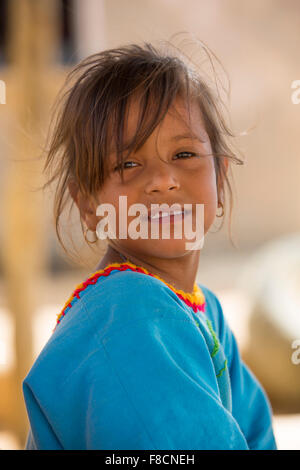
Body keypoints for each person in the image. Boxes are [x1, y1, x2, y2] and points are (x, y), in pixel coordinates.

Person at [22, 42, 277, 450]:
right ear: (87, 203)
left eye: (184, 153)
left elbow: (257, 434)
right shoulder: (127, 315)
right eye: (128, 163)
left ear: (221, 178)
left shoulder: (203, 309)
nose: (162, 179)